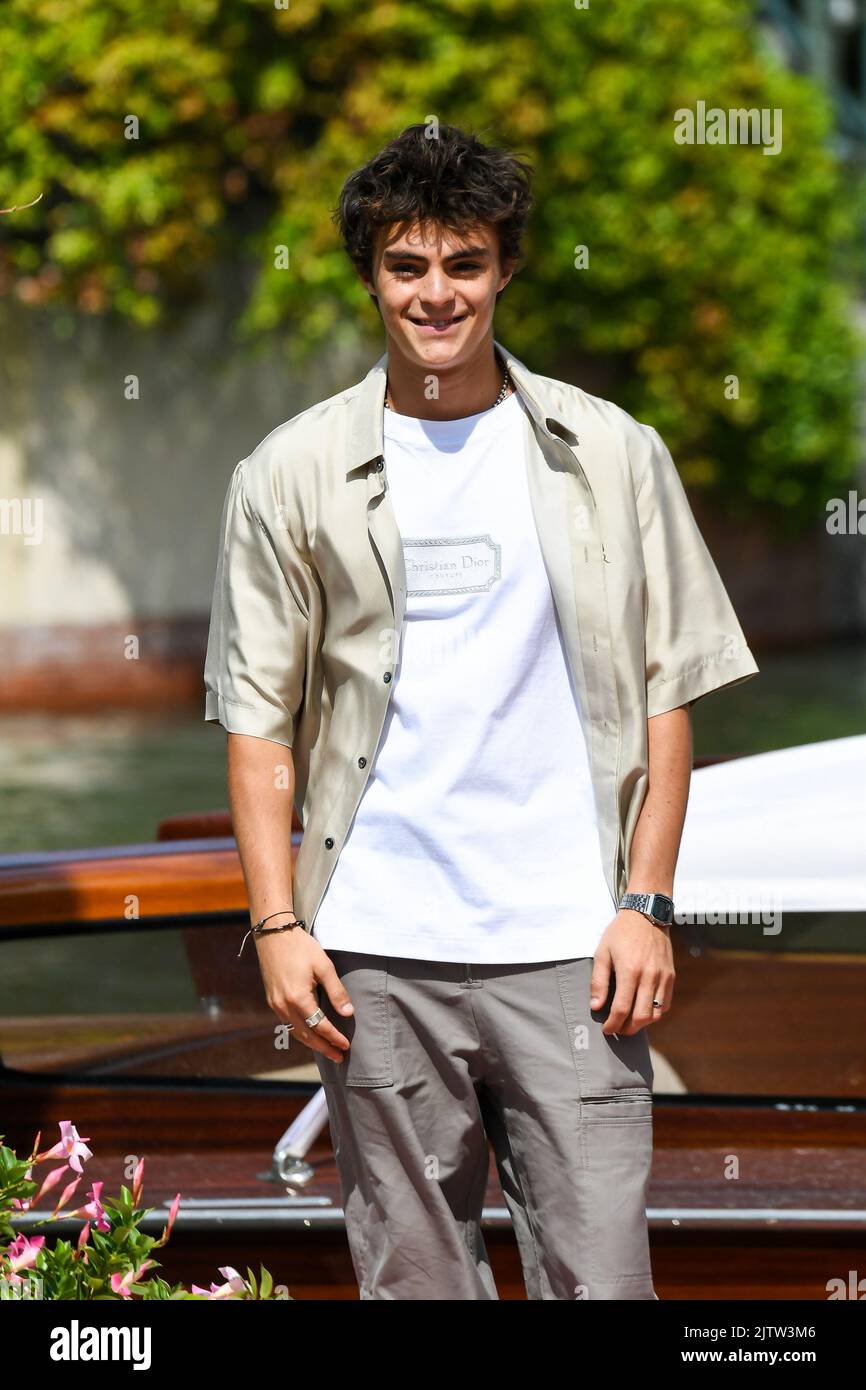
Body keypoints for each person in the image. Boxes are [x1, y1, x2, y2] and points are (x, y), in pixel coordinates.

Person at [204, 122, 759, 1300]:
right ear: (368, 276)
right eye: (407, 267)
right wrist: (274, 926)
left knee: (603, 1282)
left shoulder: (608, 451)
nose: (435, 293)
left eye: (462, 263)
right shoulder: (287, 474)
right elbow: (258, 723)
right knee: (415, 1286)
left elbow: (665, 694)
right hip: (375, 951)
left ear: (505, 267)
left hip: (572, 947)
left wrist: (645, 904)